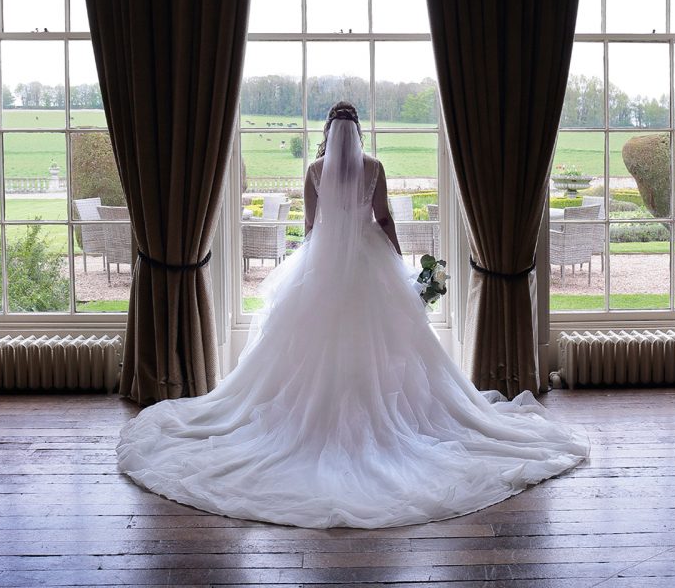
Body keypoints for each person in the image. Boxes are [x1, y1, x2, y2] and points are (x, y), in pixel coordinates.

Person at [117, 101, 588, 529]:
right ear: (358, 132)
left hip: (322, 262)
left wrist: (313, 260)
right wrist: (401, 266)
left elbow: (310, 226)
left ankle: (312, 421)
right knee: (384, 344)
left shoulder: (315, 169)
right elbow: (383, 219)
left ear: (328, 131)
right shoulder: (374, 167)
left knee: (313, 344)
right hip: (369, 261)